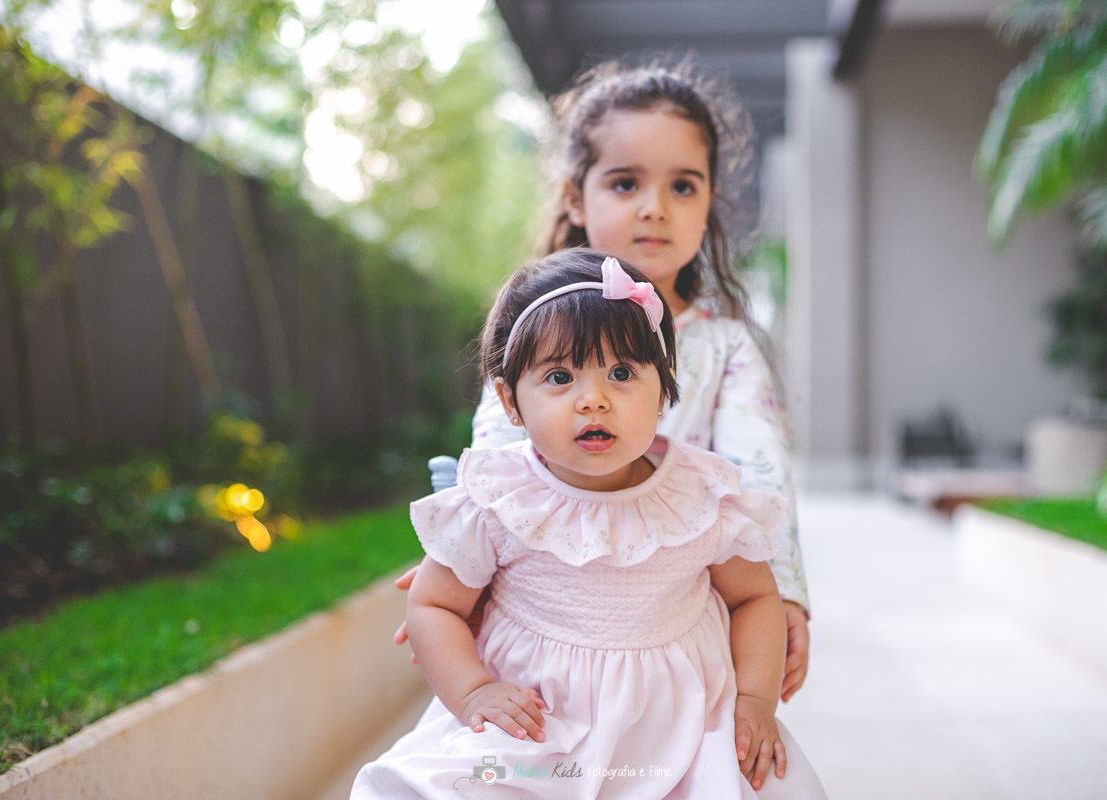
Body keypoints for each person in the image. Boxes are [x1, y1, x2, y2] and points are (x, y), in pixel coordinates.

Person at [397, 59, 812, 703]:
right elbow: (499, 452)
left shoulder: (725, 345)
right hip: (541, 612)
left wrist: (781, 589)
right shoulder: (535, 331)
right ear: (574, 195)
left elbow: (759, 472)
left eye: (683, 187)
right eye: (625, 183)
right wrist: (462, 559)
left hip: (675, 625)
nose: (655, 208)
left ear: (709, 203)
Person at [352, 251, 825, 799]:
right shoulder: (502, 499)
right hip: (537, 723)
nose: (594, 399)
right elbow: (435, 605)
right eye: (560, 376)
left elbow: (754, 598)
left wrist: (754, 701)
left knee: (756, 785)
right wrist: (473, 692)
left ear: (664, 388)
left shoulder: (700, 496)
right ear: (510, 400)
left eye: (622, 373)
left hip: (680, 722)